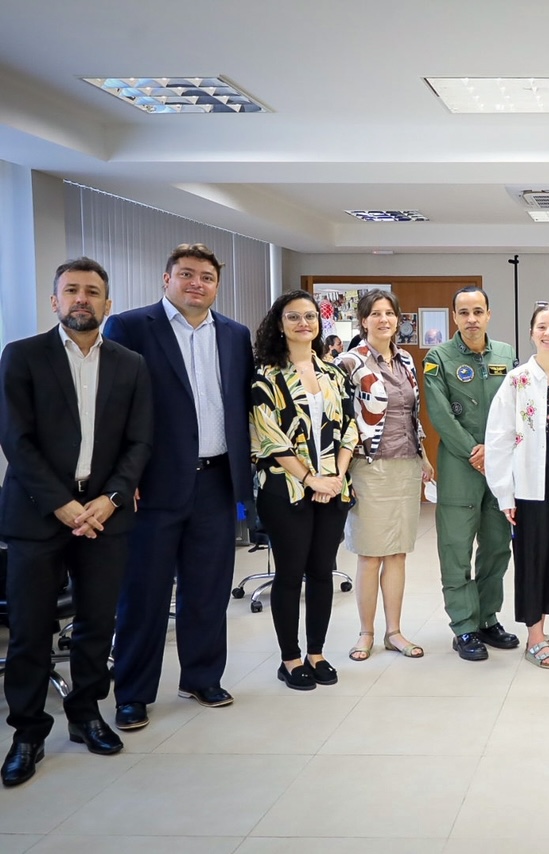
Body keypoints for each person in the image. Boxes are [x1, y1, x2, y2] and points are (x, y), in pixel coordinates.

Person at [0, 258, 152, 787]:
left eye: (92, 292)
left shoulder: (130, 363)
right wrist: (63, 505)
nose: (81, 299)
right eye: (71, 291)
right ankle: (27, 732)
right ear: (54, 301)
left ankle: (86, 714)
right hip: (39, 514)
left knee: (96, 624)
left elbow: (140, 442)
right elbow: (16, 441)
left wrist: (109, 499)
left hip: (105, 515)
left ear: (107, 304)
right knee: (29, 629)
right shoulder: (22, 357)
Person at [105, 243, 254, 730]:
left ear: (216, 284)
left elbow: (237, 406)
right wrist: (123, 482)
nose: (197, 284)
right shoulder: (130, 327)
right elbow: (113, 409)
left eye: (207, 277)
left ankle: (202, 676)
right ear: (165, 278)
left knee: (208, 588)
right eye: (186, 274)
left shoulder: (234, 334)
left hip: (215, 479)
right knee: (144, 592)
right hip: (152, 485)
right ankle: (132, 692)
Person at [249, 291, 357, 690]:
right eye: (294, 317)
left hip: (334, 488)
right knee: (291, 574)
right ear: (280, 324)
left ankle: (317, 653)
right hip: (286, 490)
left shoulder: (333, 372)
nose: (303, 324)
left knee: (322, 573)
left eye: (310, 317)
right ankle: (290, 659)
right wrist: (311, 479)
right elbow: (269, 436)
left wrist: (336, 476)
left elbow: (350, 427)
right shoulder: (266, 376)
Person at [335, 291, 434, 661]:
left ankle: (394, 632)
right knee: (370, 554)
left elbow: (412, 412)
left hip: (406, 465)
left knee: (397, 554)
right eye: (375, 314)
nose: (383, 320)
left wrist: (423, 456)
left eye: (389, 313)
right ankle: (366, 633)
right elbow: (341, 420)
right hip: (369, 465)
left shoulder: (406, 359)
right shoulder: (350, 361)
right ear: (363, 321)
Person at [422, 286, 519, 660]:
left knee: (497, 546)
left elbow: (516, 404)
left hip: (502, 466)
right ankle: (463, 626)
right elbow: (439, 413)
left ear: (489, 314)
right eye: (464, 313)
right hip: (460, 466)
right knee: (456, 549)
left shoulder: (507, 355)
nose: (472, 319)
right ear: (455, 317)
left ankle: (487, 618)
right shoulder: (438, 358)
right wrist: (474, 451)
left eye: (478, 311)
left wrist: (495, 452)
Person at [485, 302, 549, 668]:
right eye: (542, 326)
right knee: (532, 554)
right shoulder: (517, 380)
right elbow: (498, 439)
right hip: (529, 478)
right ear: (531, 333)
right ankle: (534, 637)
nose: (548, 333)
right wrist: (504, 493)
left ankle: (543, 629)